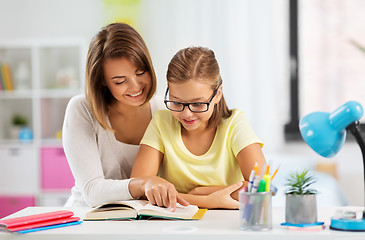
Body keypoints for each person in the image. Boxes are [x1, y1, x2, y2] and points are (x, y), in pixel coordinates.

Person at [62, 22, 187, 211]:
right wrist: (143, 184)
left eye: (140, 72)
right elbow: (91, 191)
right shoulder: (81, 109)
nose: (136, 86)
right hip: (86, 218)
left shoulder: (165, 110)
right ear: (102, 81)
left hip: (139, 220)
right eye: (120, 81)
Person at [131, 46, 266, 209]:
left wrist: (198, 192)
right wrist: (207, 200)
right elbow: (138, 189)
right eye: (176, 102)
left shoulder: (234, 124)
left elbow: (262, 189)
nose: (187, 114)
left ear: (217, 94)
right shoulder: (161, 123)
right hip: (175, 223)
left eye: (197, 104)